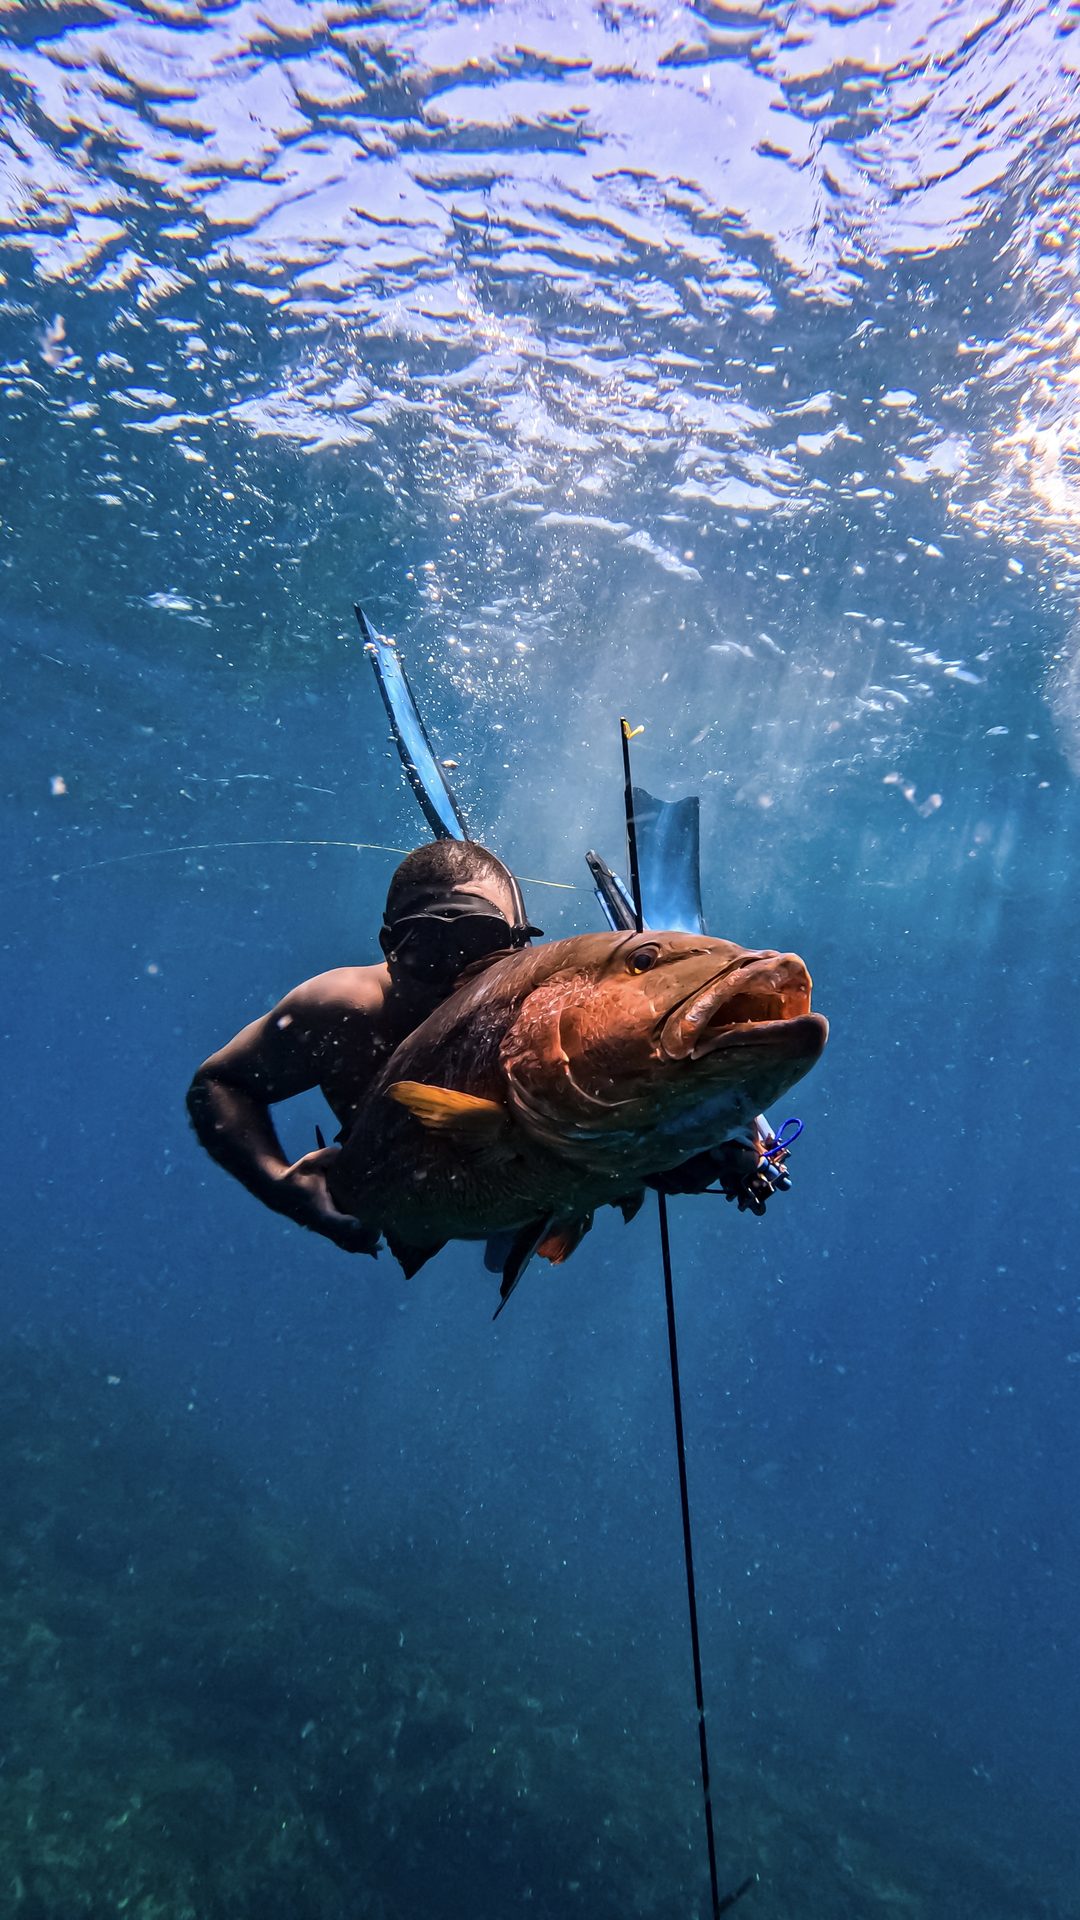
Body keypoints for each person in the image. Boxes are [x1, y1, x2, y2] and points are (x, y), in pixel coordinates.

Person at [186, 839, 541, 1255]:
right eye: (426, 947)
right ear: (389, 948)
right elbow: (218, 1084)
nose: (455, 972)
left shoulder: (557, 1009)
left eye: (480, 941)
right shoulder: (345, 1011)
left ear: (522, 946)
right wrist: (280, 1186)